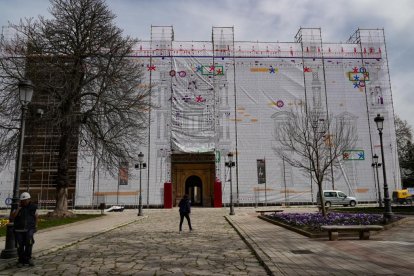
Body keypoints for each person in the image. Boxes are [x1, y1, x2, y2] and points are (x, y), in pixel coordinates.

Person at [11, 192, 38, 267]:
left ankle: (28, 259)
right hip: (18, 229)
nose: (24, 202)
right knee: (20, 245)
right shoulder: (17, 207)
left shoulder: (33, 207)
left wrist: (36, 225)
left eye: (25, 200)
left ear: (29, 199)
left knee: (29, 243)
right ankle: (21, 260)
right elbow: (12, 217)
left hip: (29, 228)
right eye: (22, 200)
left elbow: (36, 216)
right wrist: (18, 209)